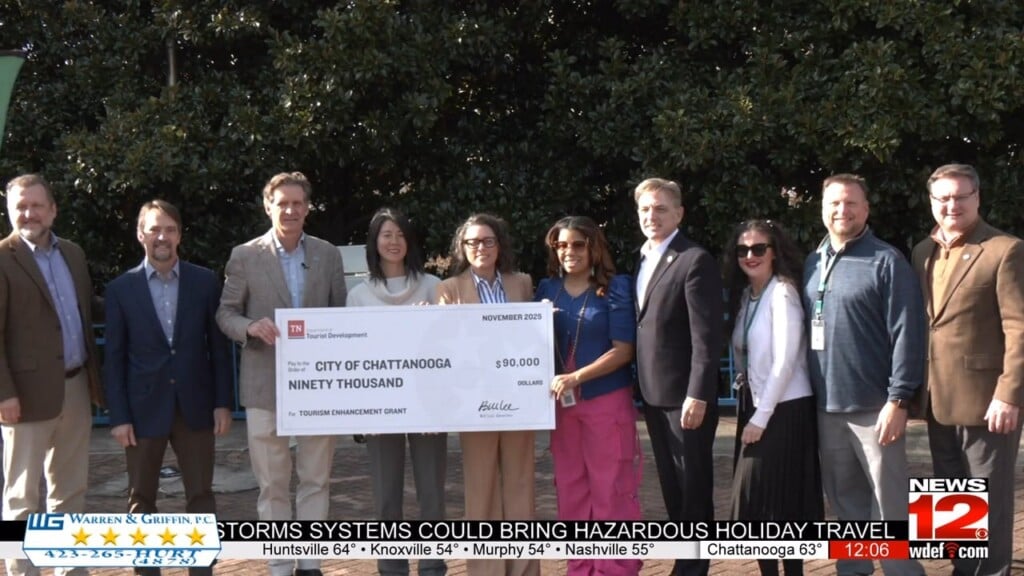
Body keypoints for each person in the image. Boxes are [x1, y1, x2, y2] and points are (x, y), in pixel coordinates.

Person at [216, 172, 346, 576]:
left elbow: (341, 316)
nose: (290, 210)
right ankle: (279, 564)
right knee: (272, 483)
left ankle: (310, 564)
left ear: (308, 208)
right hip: (264, 383)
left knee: (315, 478)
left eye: (297, 203)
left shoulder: (327, 254)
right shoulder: (245, 255)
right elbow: (226, 313)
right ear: (267, 206)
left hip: (317, 386)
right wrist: (250, 328)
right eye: (282, 203)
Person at [803, 174, 926, 576]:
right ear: (823, 209)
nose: (842, 211)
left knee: (889, 505)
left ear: (866, 208)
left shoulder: (887, 260)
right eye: (834, 203)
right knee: (844, 504)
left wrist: (899, 399)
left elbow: (908, 334)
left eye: (851, 203)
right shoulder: (811, 261)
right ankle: (853, 571)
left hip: (876, 408)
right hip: (826, 406)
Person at [103, 200, 233, 576]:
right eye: (155, 229)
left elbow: (218, 348)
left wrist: (223, 402)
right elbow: (114, 357)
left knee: (201, 496)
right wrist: (119, 416)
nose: (163, 237)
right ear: (140, 234)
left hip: (196, 406)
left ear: (180, 234)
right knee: (141, 499)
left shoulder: (204, 281)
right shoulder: (120, 289)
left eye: (170, 229)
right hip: (142, 411)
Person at [911, 163, 1023, 576]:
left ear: (977, 198)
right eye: (943, 197)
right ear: (932, 202)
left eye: (960, 196)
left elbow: (1019, 327)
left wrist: (1009, 393)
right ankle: (962, 569)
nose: (951, 205)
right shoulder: (922, 250)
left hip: (987, 402)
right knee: (948, 494)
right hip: (936, 398)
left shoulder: (1005, 249)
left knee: (988, 498)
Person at [0, 174, 102, 576]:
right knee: (22, 497)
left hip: (76, 387)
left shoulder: (73, 254)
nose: (28, 213)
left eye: (36, 205)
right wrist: (3, 392)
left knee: (70, 491)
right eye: (20, 206)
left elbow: (86, 307)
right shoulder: (2, 258)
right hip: (21, 398)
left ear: (53, 209)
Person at [534, 216, 641, 576]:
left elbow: (623, 350)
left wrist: (576, 376)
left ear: (593, 247)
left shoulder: (616, 287)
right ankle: (581, 567)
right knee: (570, 487)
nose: (569, 251)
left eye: (577, 244)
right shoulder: (547, 290)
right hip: (562, 409)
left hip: (605, 400)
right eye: (561, 245)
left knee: (611, 486)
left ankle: (616, 568)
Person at [436, 213, 538, 576]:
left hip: (518, 401)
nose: (481, 248)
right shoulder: (447, 289)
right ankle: (486, 570)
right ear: (462, 248)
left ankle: (524, 569)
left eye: (488, 241)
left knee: (521, 484)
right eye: (473, 242)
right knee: (480, 489)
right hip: (474, 404)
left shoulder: (522, 284)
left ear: (500, 245)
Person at [346, 207, 446, 576]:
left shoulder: (436, 287)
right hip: (379, 407)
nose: (393, 241)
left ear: (410, 241)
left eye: (400, 234)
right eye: (386, 234)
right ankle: (391, 566)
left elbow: (451, 346)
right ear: (374, 242)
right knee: (386, 494)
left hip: (429, 406)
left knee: (432, 491)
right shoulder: (358, 296)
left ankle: (433, 565)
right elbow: (353, 358)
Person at [632, 178, 722, 576]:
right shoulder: (644, 258)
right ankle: (685, 559)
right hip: (654, 394)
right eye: (645, 210)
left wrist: (699, 393)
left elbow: (707, 336)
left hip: (686, 397)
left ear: (679, 213)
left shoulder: (693, 259)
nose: (652, 216)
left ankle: (695, 566)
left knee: (694, 484)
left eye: (661, 208)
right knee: (672, 483)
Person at [723, 219, 822, 576]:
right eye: (743, 250)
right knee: (761, 507)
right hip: (755, 404)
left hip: (784, 408)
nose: (750, 255)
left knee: (777, 503)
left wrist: (761, 418)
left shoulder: (782, 292)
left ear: (775, 252)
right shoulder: (748, 297)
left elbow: (785, 361)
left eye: (758, 248)